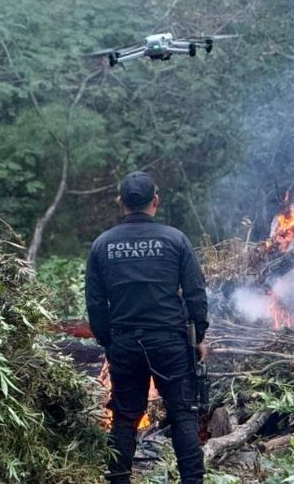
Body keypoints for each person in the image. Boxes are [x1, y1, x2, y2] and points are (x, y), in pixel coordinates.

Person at [86, 171, 209, 484]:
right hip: (170, 342)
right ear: (156, 200)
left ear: (121, 202)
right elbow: (195, 294)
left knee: (125, 418)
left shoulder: (103, 245)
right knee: (182, 414)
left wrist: (108, 342)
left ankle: (119, 480)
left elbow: (96, 303)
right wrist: (199, 337)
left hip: (125, 343)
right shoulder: (175, 240)